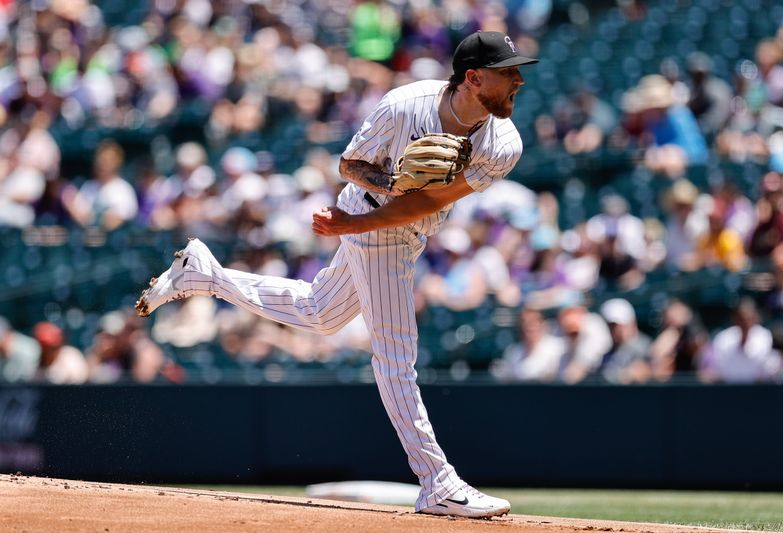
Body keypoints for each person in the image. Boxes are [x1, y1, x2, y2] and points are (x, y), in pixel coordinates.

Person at [136, 31, 538, 518]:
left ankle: (206, 275)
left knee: (318, 313)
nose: (518, 79)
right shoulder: (404, 104)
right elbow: (349, 164)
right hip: (373, 221)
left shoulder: (504, 142)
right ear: (473, 78)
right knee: (395, 356)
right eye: (508, 71)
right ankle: (437, 481)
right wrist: (374, 201)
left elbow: (433, 199)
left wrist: (362, 219)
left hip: (399, 227)